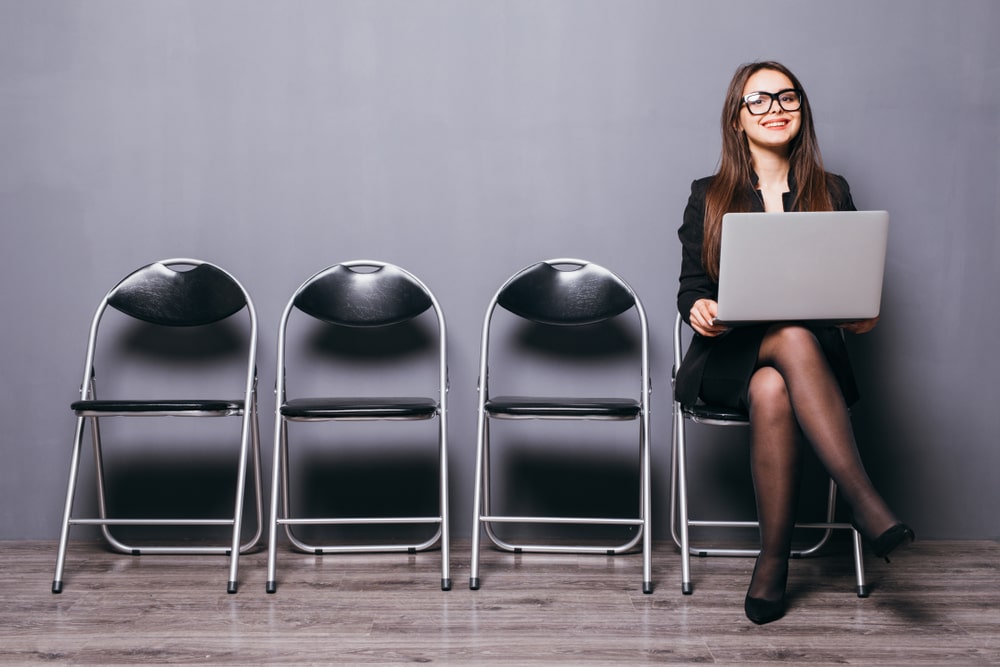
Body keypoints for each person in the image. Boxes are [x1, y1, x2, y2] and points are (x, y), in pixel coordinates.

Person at [675, 61, 914, 625]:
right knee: (785, 337)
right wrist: (700, 308)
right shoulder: (708, 194)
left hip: (804, 376)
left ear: (802, 110)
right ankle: (863, 501)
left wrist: (861, 317)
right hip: (726, 358)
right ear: (737, 118)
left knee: (774, 388)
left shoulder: (831, 191)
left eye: (787, 97)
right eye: (757, 100)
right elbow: (691, 288)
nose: (774, 108)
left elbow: (855, 287)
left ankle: (773, 565)